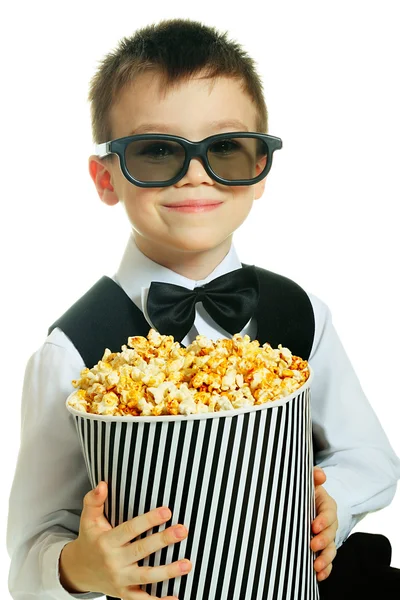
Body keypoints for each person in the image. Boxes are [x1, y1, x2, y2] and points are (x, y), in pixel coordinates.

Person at [6, 17, 400, 600]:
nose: (195, 174)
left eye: (226, 150)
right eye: (157, 151)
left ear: (261, 168)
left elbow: (368, 455)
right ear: (105, 177)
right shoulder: (71, 353)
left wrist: (330, 506)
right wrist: (79, 568)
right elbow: (27, 555)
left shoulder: (299, 313)